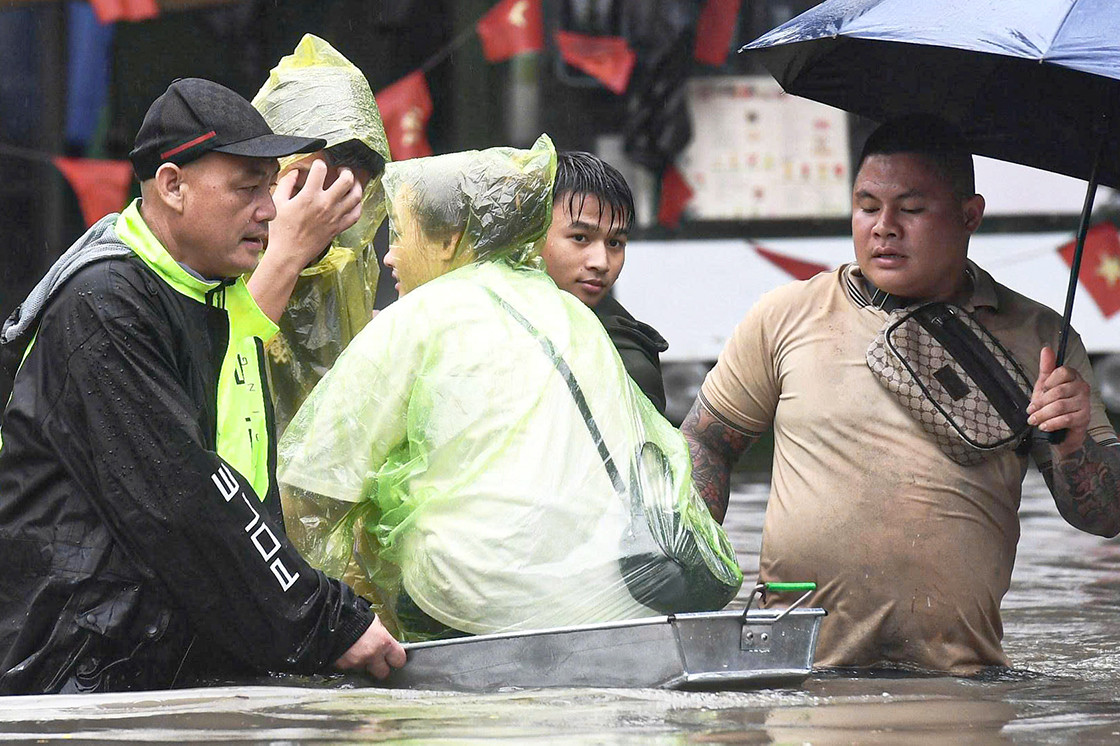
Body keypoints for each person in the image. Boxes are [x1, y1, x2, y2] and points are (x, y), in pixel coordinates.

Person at [681, 115, 1120, 675]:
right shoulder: (786, 316)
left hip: (961, 683)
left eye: (912, 210)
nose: (884, 227)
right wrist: (690, 568)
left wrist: (1071, 448)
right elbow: (705, 442)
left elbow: (1108, 517)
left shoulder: (1040, 341)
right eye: (867, 206)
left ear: (970, 216)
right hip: (798, 676)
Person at [0, 78, 404, 695]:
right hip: (76, 677)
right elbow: (186, 496)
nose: (269, 211)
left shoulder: (205, 288)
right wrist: (328, 619)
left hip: (160, 662)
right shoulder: (106, 303)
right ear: (172, 185)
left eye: (272, 188)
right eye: (247, 189)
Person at [277, 135, 741, 641]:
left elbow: (310, 489)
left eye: (401, 236)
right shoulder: (576, 319)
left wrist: (311, 626)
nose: (389, 258)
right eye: (580, 238)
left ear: (450, 241)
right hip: (608, 605)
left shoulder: (421, 316)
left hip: (464, 601)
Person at [247, 34, 392, 434]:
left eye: (343, 197)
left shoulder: (347, 256)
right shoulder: (209, 243)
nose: (320, 210)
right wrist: (284, 254)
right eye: (303, 187)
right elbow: (217, 370)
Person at [542, 151, 669, 414]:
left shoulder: (627, 364)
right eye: (580, 237)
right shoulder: (484, 315)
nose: (601, 262)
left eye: (615, 243)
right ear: (533, 232)